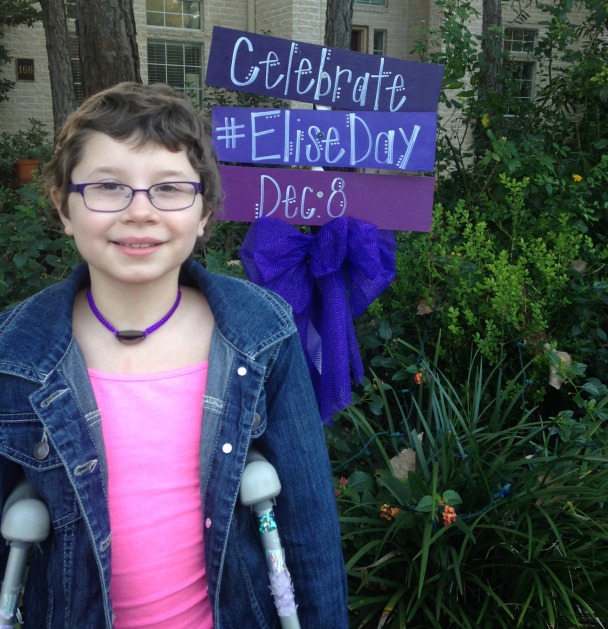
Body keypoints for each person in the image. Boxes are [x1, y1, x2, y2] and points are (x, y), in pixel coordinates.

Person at [0, 82, 348, 628]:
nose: (141, 212)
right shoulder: (12, 355)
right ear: (63, 207)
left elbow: (309, 529)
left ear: (205, 211)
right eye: (109, 187)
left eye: (168, 189)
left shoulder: (261, 334)